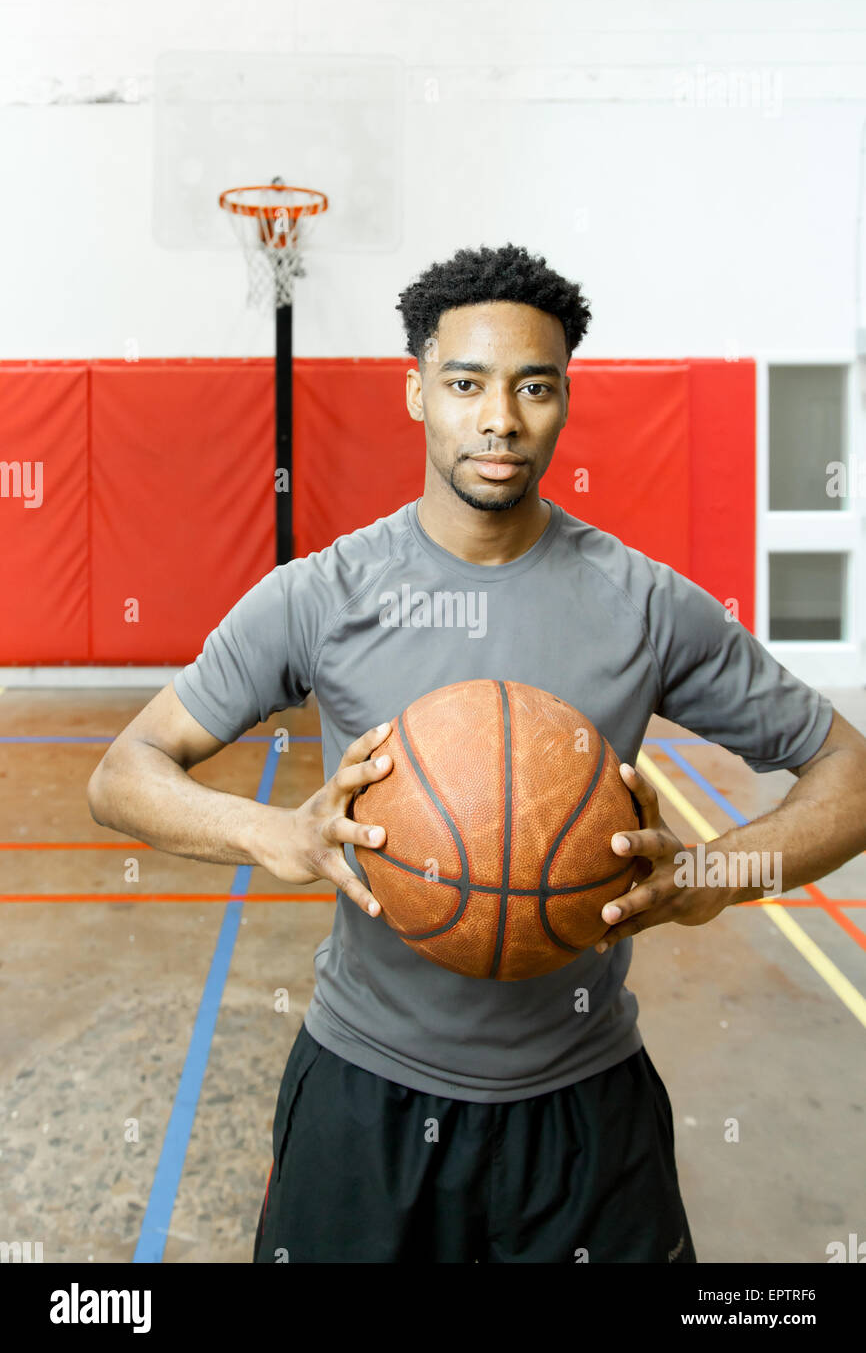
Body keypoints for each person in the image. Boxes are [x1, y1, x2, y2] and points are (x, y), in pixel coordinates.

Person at [87, 243, 866, 1264]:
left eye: (532, 386)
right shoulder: (324, 595)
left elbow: (846, 771)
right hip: (363, 1095)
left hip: (582, 1106)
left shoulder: (640, 604)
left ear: (563, 403)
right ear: (415, 393)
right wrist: (273, 832)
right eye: (464, 383)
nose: (498, 416)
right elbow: (123, 772)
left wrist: (713, 876)